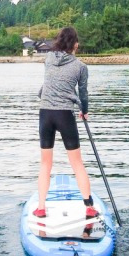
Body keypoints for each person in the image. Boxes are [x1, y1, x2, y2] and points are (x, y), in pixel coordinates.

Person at [35, 26, 97, 220]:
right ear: (75, 44)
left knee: (45, 164)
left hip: (45, 114)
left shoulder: (48, 59)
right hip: (64, 115)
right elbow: (83, 93)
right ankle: (88, 206)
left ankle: (41, 207)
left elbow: (47, 85)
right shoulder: (80, 66)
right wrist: (84, 111)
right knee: (77, 163)